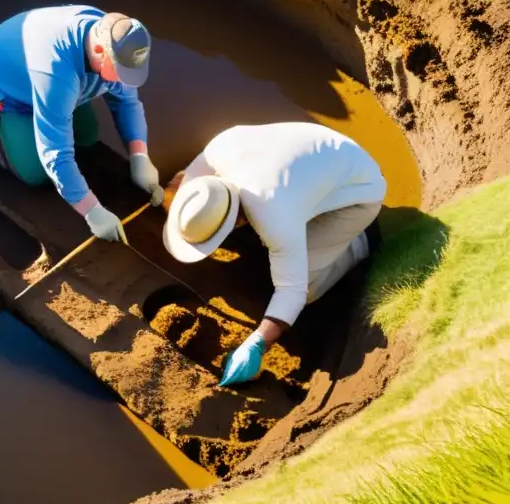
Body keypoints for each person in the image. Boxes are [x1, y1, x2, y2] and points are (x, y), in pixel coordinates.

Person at [161, 121, 387, 387]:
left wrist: (257, 343)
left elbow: (292, 290)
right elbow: (178, 190)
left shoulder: (272, 214)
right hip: (318, 156)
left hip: (359, 187)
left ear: (236, 220)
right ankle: (308, 220)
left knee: (308, 283)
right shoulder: (215, 153)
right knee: (285, 236)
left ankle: (359, 242)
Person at [0, 4, 165, 242]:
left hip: (59, 82)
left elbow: (126, 102)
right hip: (7, 80)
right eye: (121, 72)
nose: (125, 81)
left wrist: (140, 156)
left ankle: (65, 103)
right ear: (99, 51)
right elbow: (56, 154)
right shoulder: (55, 72)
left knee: (87, 136)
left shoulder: (117, 35)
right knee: (34, 173)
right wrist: (92, 211)